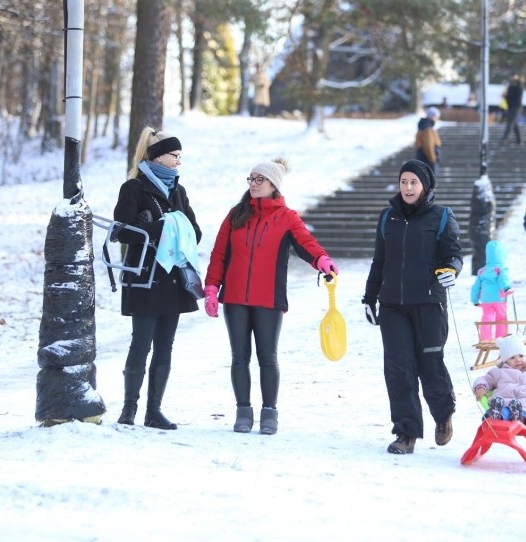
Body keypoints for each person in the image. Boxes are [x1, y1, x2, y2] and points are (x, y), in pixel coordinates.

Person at [203, 158, 338, 436]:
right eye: (251, 179)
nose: (253, 184)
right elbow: (219, 255)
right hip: (236, 298)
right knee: (239, 357)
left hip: (269, 299)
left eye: (259, 180)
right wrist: (211, 289)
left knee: (268, 357)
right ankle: (243, 412)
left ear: (273, 184)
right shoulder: (235, 215)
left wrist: (322, 260)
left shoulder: (287, 217)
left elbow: (305, 243)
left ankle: (269, 413)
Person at [363, 159, 463, 455]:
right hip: (393, 305)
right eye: (403, 181)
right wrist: (369, 297)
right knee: (398, 369)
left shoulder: (442, 217)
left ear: (425, 186)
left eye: (413, 182)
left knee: (430, 366)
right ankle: (406, 433)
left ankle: (443, 414)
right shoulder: (387, 218)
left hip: (429, 305)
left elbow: (455, 255)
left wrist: (451, 271)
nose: (407, 187)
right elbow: (379, 262)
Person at [113, 126, 202, 430]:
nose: (179, 162)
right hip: (145, 279)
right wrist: (155, 228)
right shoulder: (134, 189)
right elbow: (120, 232)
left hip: (174, 280)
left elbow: (195, 234)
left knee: (165, 347)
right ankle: (128, 411)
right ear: (158, 156)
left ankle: (154, 411)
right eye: (175, 156)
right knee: (141, 344)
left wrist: (169, 224)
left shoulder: (178, 191)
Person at [472, 335, 526, 427]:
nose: (518, 359)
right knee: (503, 412)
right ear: (505, 361)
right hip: (503, 405)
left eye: (521, 356)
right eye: (512, 357)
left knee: (524, 415)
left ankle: (518, 419)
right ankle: (496, 416)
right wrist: (480, 387)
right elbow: (485, 379)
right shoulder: (499, 372)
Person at [470, 240, 513, 341]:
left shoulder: (482, 271)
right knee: (501, 319)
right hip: (499, 299)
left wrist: (475, 300)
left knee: (487, 318)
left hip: (486, 300)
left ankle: (485, 339)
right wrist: (507, 288)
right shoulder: (501, 269)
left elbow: (476, 287)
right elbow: (503, 280)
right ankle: (502, 339)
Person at [414, 107, 442, 176]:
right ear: (433, 116)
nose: (437, 119)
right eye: (436, 117)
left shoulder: (423, 126)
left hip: (424, 159)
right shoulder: (427, 129)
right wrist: (432, 160)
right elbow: (428, 146)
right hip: (428, 160)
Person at [501, 73, 523, 144]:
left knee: (510, 122)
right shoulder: (510, 86)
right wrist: (505, 96)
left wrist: (507, 95)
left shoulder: (518, 86)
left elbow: (515, 95)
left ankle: (505, 138)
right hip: (510, 106)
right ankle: (519, 140)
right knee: (514, 123)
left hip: (516, 107)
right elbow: (508, 95)